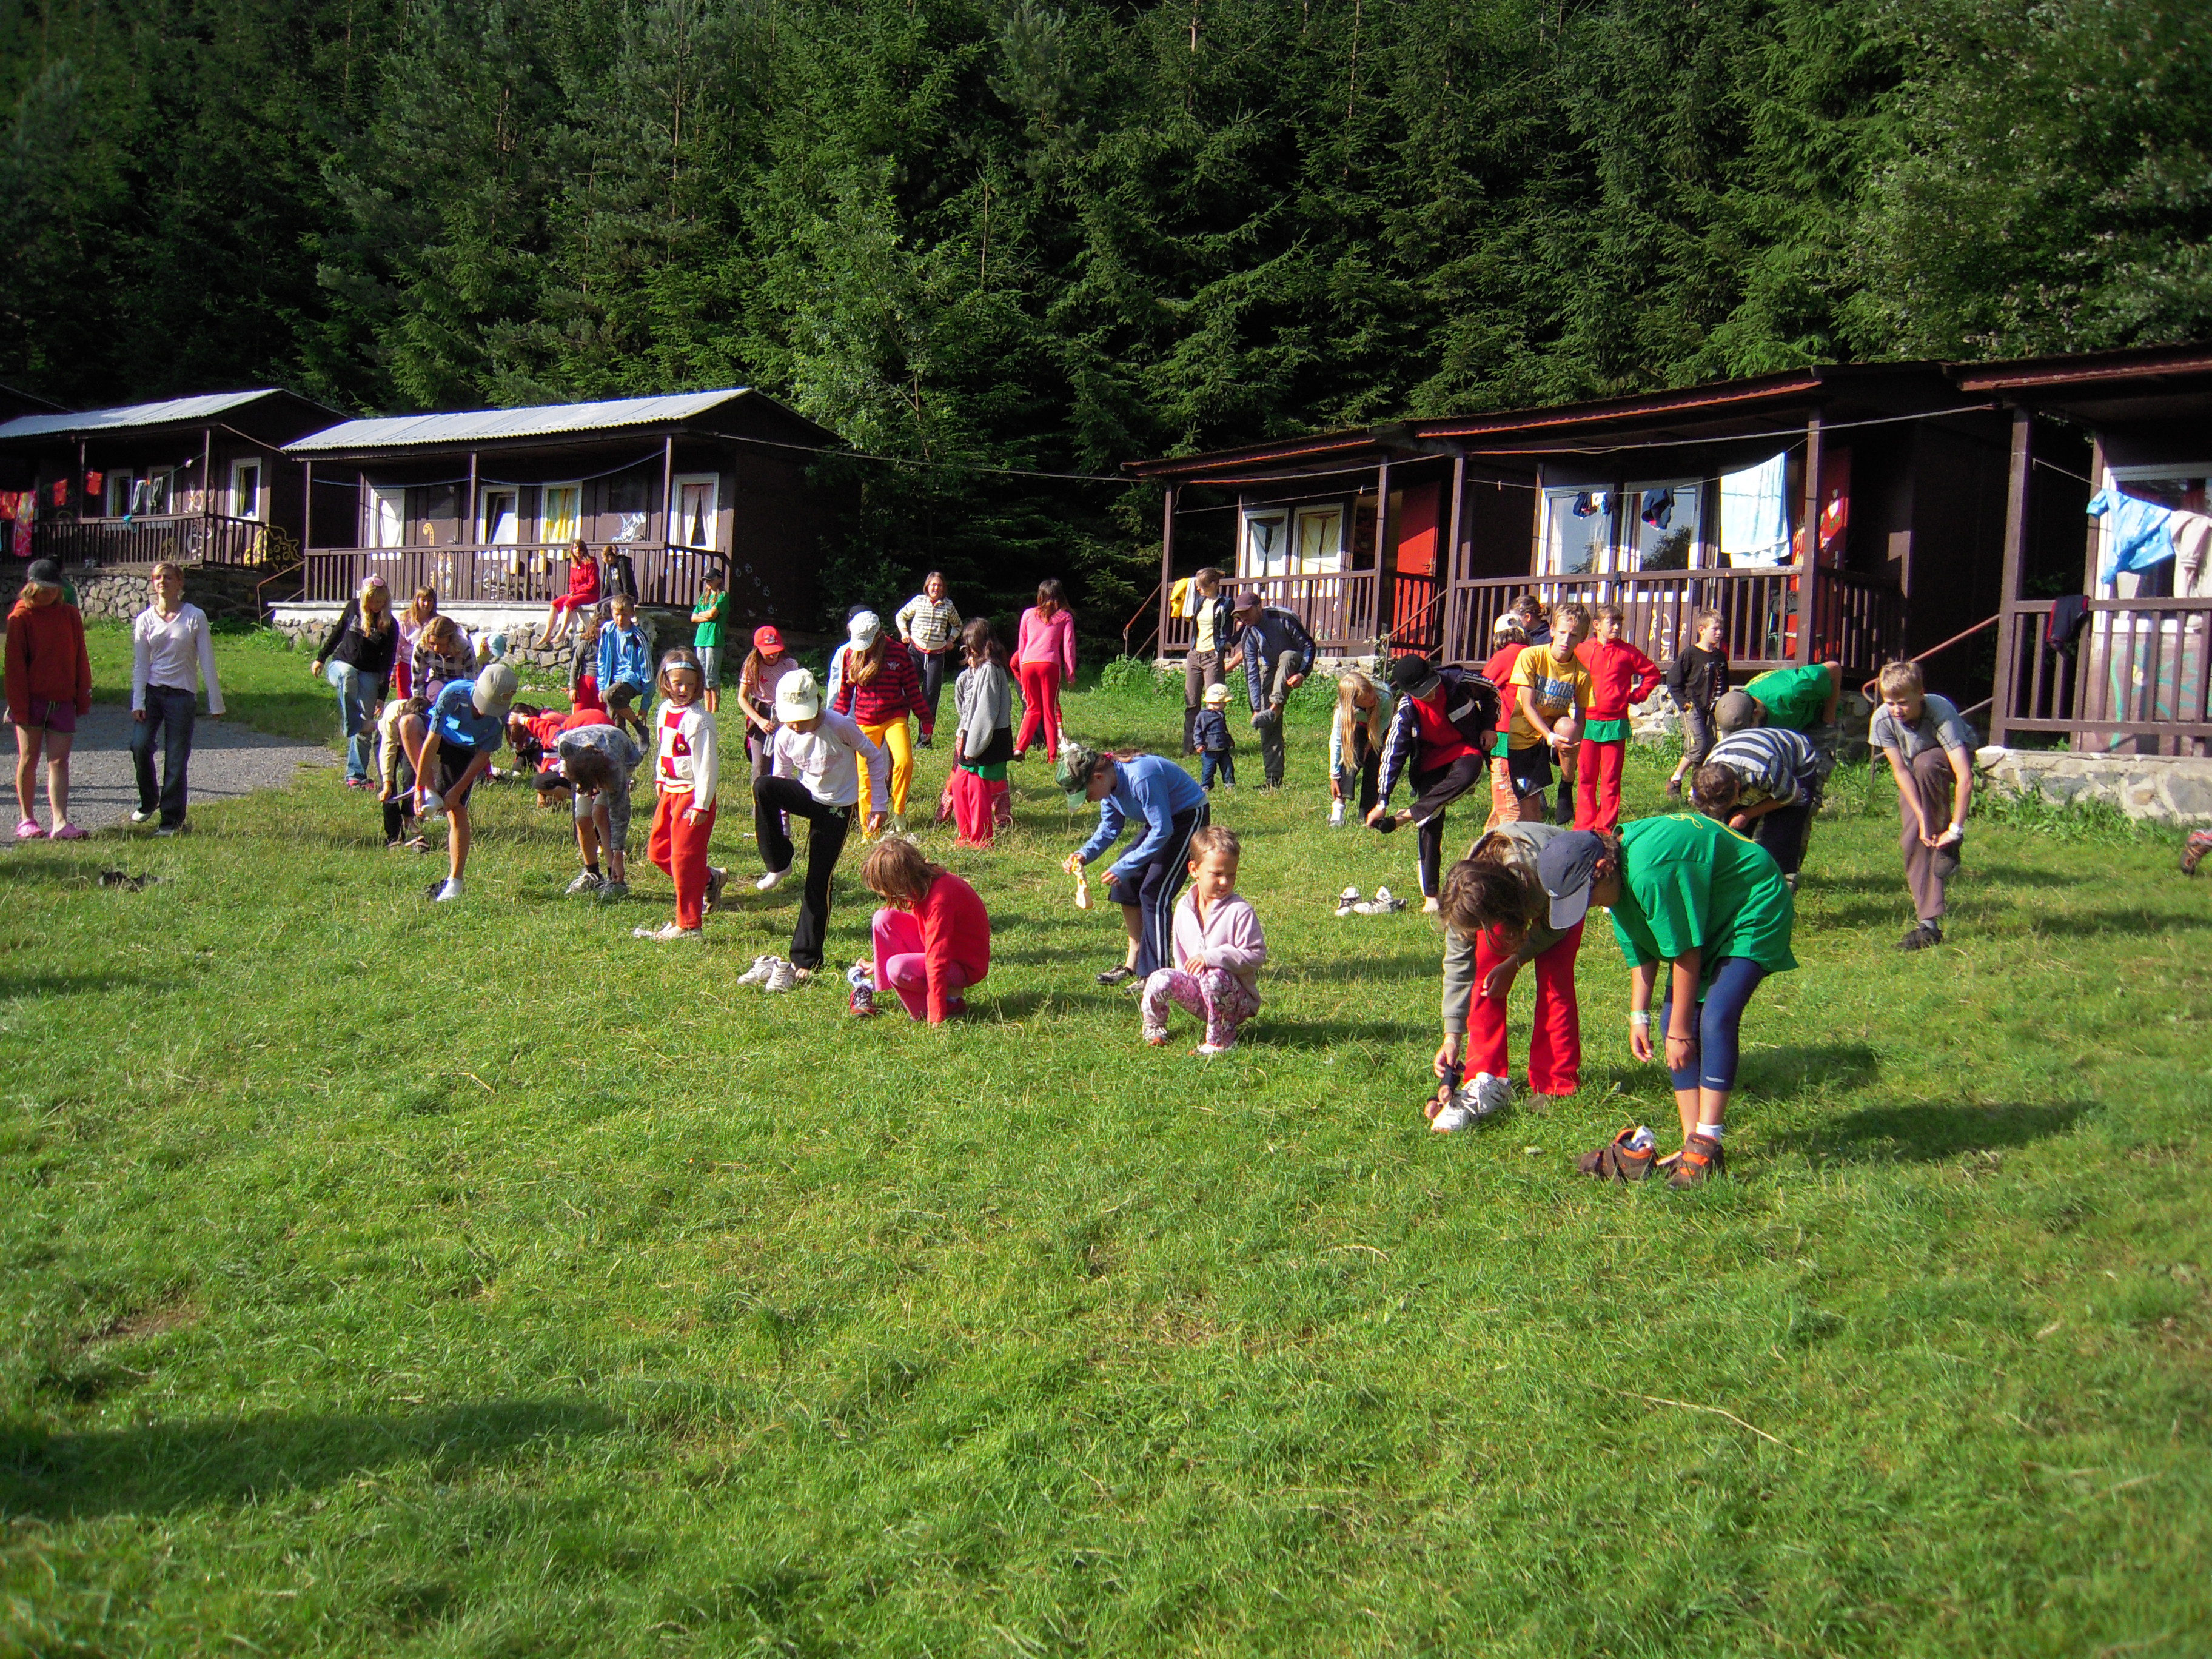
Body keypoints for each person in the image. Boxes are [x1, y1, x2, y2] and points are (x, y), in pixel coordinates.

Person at [1541, 819, 1797, 1188]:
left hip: (1750, 905)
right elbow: (1639, 945)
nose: (1586, 905)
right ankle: (1694, 1144)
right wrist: (1639, 1016)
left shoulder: (1649, 874)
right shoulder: (1618, 880)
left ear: (1602, 868)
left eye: (1584, 895)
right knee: (1671, 1024)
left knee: (1714, 1019)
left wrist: (1679, 1033)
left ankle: (1707, 1143)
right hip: (1706, 915)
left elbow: (1686, 951)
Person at [1430, 818, 1577, 1132]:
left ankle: (1555, 1083)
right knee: (1485, 975)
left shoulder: (1540, 870)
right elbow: (1458, 964)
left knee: (1555, 980)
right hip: (1508, 893)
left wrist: (1516, 961)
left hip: (1562, 887)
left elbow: (1556, 927)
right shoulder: (1465, 889)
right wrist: (1452, 1036)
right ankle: (1486, 1075)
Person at [752, 668, 890, 979]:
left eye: (802, 718)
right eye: (790, 719)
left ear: (817, 705)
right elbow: (781, 779)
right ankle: (779, 862)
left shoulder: (840, 726)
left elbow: (874, 756)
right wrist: (784, 834)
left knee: (818, 881)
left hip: (837, 807)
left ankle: (806, 959)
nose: (796, 725)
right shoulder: (785, 736)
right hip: (807, 795)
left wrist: (878, 804)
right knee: (764, 786)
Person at [1058, 742, 1210, 985]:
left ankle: (1156, 974)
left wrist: (1123, 867)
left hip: (1187, 818)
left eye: (1085, 794)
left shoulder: (1141, 777)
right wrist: (1083, 854)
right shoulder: (1109, 786)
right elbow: (1110, 827)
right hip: (1161, 822)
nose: (1088, 801)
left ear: (1098, 777)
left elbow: (1163, 831)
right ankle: (1134, 962)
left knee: (1155, 892)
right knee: (1125, 884)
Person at [1369, 654, 1503, 911]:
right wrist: (1382, 801)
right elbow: (1392, 755)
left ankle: (1409, 814)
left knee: (1469, 773)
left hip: (1464, 749)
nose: (1430, 695)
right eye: (1422, 693)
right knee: (1430, 821)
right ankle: (1431, 896)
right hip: (1430, 761)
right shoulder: (1406, 711)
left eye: (1431, 687)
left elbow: (1492, 691)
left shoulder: (1458, 681)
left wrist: (1489, 726)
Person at [1869, 659, 1975, 951]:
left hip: (1944, 761)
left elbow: (1965, 777)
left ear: (1920, 694)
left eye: (1903, 703)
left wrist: (1955, 829)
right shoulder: (1882, 719)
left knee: (1926, 762)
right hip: (1913, 772)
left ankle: (1948, 843)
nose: (1896, 710)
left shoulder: (1939, 710)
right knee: (1912, 838)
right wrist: (1922, 818)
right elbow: (1900, 771)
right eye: (1890, 703)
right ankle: (1928, 925)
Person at [1140, 825, 1267, 1056]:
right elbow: (1180, 956)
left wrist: (1212, 957)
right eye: (1217, 874)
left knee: (1214, 976)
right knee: (1159, 978)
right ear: (1194, 870)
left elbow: (1256, 955)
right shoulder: (1184, 907)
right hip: (1199, 993)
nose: (1225, 882)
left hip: (1234, 1000)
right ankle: (1154, 1027)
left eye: (1231, 874)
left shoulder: (1240, 911)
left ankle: (1221, 1042)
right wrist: (1185, 981)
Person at [127, 561, 225, 836]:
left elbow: (207, 660)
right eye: (158, 578)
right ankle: (150, 800)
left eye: (169, 578)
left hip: (182, 695)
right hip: (153, 693)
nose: (163, 582)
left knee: (176, 758)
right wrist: (138, 702)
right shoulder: (146, 620)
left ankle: (171, 821)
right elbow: (141, 664)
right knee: (139, 745)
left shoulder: (195, 616)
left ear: (180, 583)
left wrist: (215, 703)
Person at [634, 649, 723, 942]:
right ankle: (708, 878)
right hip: (670, 790)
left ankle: (689, 926)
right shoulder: (664, 710)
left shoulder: (700, 720)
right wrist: (660, 777)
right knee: (659, 852)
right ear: (665, 682)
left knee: (684, 860)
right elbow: (664, 747)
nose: (683, 689)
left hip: (692, 795)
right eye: (677, 683)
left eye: (690, 684)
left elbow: (707, 764)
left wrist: (702, 803)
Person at [414, 662, 518, 902]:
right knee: (408, 724)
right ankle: (431, 791)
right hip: (443, 737)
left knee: (457, 808)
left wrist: (457, 790)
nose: (484, 712)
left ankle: (455, 882)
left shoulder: (498, 720)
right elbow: (432, 739)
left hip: (466, 750)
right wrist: (421, 787)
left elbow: (482, 756)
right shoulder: (454, 693)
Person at [861, 836, 991, 1024]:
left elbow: (937, 959)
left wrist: (936, 1016)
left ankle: (950, 1002)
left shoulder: (940, 900)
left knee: (897, 968)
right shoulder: (923, 882)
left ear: (899, 883)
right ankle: (901, 987)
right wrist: (878, 965)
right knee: (884, 918)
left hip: (963, 965)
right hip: (946, 952)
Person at [7, 559, 92, 840]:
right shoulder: (21, 617)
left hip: (62, 699)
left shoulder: (69, 615)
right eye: (44, 589)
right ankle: (27, 819)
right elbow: (15, 668)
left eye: (55, 589)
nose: (50, 594)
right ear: (31, 587)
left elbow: (80, 656)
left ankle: (60, 821)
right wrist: (19, 708)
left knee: (59, 761)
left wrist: (82, 695)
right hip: (31, 701)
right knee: (29, 758)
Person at [831, 610, 928, 833]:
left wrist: (926, 720)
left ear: (878, 635)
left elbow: (913, 690)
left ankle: (899, 811)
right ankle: (868, 830)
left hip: (894, 716)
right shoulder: (851, 654)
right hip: (865, 720)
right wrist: (834, 723)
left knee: (904, 761)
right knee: (865, 774)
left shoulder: (898, 653)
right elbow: (844, 696)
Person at [1693, 724, 1823, 886]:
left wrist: (1747, 814)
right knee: (1733, 835)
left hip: (1795, 762)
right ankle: (1737, 880)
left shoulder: (1763, 770)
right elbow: (1709, 825)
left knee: (1779, 838)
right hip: (1748, 760)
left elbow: (1793, 796)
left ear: (1737, 786)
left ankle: (1781, 882)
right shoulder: (1705, 782)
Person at [1574, 603, 1662, 833]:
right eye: (1611, 623)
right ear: (1596, 625)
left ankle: (1605, 827)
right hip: (1587, 722)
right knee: (1586, 777)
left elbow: (1652, 673)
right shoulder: (1581, 650)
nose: (1616, 627)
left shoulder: (1628, 652)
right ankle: (1584, 824)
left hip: (1615, 722)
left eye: (1619, 623)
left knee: (1611, 778)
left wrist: (1637, 696)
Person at [1507, 602, 1594, 825]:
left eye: (1573, 635)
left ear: (1583, 638)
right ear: (1552, 630)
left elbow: (1581, 717)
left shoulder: (1581, 673)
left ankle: (1567, 784)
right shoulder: (1531, 656)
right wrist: (1550, 737)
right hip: (1524, 735)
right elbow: (1528, 705)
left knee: (1570, 727)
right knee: (1530, 811)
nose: (1566, 640)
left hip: (1555, 733)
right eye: (1562, 633)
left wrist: (1573, 747)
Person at [309, 574, 397, 787]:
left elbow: (388, 661)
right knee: (348, 675)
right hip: (341, 666)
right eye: (372, 601)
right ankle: (352, 724)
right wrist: (320, 658)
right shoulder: (353, 608)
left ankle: (356, 776)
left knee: (366, 728)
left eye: (381, 602)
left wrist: (381, 695)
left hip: (370, 674)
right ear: (364, 599)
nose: (376, 606)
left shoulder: (390, 625)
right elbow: (337, 633)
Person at [542, 721, 643, 901]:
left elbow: (620, 815)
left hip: (622, 755)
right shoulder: (566, 746)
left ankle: (616, 879)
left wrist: (619, 856)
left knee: (600, 813)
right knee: (582, 818)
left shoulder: (614, 769)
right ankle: (592, 874)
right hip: (585, 760)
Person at [1224, 591, 1315, 788]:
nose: (1244, 618)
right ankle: (1273, 779)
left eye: (1247, 612)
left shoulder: (1283, 618)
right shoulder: (1249, 634)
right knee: (1267, 724)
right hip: (1271, 667)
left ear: (1259, 606)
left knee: (1287, 655)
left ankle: (1275, 707)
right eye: (1240, 615)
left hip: (1295, 661)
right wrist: (1256, 709)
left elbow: (1308, 645)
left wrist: (1302, 674)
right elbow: (1251, 673)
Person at [948, 617, 1013, 846]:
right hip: (973, 737)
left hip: (985, 740)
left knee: (978, 790)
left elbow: (986, 712)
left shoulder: (991, 669)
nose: (968, 649)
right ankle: (965, 835)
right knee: (959, 784)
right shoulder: (979, 669)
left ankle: (981, 839)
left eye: (970, 643)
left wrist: (973, 748)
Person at [1663, 609, 1728, 800]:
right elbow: (1673, 680)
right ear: (1702, 630)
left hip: (1712, 710)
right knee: (1697, 746)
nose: (1719, 633)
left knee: (1709, 748)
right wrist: (1685, 703)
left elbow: (1724, 683)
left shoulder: (1720, 657)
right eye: (1715, 629)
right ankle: (1675, 779)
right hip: (1693, 708)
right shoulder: (1691, 654)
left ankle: (1696, 791)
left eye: (1721, 629)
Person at [1013, 579, 1078, 762]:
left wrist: (1022, 672)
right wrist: (1070, 674)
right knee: (1049, 710)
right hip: (1050, 665)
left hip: (1027, 664)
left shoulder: (1028, 614)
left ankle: (1019, 748)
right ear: (1060, 596)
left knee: (1032, 709)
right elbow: (1068, 646)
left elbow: (1022, 645)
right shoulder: (1065, 617)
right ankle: (1052, 756)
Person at [895, 571, 962, 746]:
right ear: (927, 586)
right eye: (933, 585)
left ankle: (925, 740)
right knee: (906, 693)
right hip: (915, 652)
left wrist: (951, 640)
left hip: (936, 656)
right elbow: (901, 616)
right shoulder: (919, 601)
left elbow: (958, 625)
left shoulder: (948, 606)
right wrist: (904, 632)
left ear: (943, 588)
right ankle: (899, 738)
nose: (936, 588)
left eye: (939, 585)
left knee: (930, 695)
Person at [1737, 657, 1844, 766]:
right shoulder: (1741, 702)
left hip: (1816, 720)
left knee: (1818, 769)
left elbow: (1834, 668)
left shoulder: (1797, 686)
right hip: (1790, 725)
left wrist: (1828, 720)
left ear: (1756, 713)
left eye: (1748, 729)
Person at [1480, 614, 1530, 830]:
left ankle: (1509, 836)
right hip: (1527, 731)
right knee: (1511, 788)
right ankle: (1490, 836)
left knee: (1505, 791)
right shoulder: (1531, 654)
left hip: (1503, 730)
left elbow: (1482, 685)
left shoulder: (1505, 656)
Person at [1181, 567, 1233, 754]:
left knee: (1215, 702)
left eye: (1202, 587)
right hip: (1195, 655)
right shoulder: (1199, 602)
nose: (1199, 590)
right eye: (1198, 586)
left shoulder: (1226, 604)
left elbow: (1243, 624)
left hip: (1213, 656)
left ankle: (1216, 744)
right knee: (1191, 702)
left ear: (1215, 584)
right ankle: (1190, 747)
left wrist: (1230, 642)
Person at [737, 625, 801, 772]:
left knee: (781, 762)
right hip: (760, 713)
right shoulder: (752, 666)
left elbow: (797, 691)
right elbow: (742, 698)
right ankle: (759, 787)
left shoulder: (789, 664)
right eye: (768, 652)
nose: (773, 656)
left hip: (784, 713)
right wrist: (759, 720)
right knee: (760, 764)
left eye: (775, 651)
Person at [1327, 669, 1387, 826]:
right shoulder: (1343, 711)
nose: (1371, 699)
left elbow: (1384, 723)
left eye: (1370, 693)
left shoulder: (1384, 696)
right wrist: (1334, 775)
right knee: (1351, 756)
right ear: (1354, 703)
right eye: (1365, 699)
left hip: (1379, 727)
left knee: (1375, 763)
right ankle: (1338, 809)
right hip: (1358, 725)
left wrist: (1370, 744)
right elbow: (1337, 741)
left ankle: (1368, 815)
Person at [594, 593, 654, 742]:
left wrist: (645, 704)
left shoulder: (638, 637)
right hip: (613, 679)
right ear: (612, 613)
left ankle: (640, 728)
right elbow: (602, 660)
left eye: (625, 615)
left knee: (611, 695)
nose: (620, 619)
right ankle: (626, 747)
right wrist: (602, 686)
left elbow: (647, 670)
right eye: (617, 615)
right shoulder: (607, 630)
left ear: (632, 614)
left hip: (633, 679)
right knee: (615, 725)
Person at [377, 695, 430, 850]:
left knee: (411, 776)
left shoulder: (427, 719)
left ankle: (409, 818)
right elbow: (388, 750)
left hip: (410, 741)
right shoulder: (394, 713)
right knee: (389, 791)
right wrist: (387, 783)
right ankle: (395, 835)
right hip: (387, 740)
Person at [541, 540, 602, 650]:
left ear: (583, 549)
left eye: (579, 548)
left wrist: (577, 591)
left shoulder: (591, 563)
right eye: (575, 548)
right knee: (554, 604)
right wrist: (573, 591)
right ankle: (547, 634)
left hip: (590, 594)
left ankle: (562, 634)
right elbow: (572, 582)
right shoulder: (574, 565)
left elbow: (592, 584)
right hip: (577, 593)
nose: (577, 550)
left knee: (569, 603)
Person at [690, 571, 732, 713]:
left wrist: (703, 615)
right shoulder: (705, 597)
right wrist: (706, 616)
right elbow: (693, 617)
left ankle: (715, 709)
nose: (708, 583)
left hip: (714, 639)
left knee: (711, 674)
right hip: (701, 639)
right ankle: (707, 708)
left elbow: (713, 614)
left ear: (719, 580)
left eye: (710, 580)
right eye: (706, 580)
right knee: (702, 674)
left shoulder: (723, 596)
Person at [410, 614, 474, 705]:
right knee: (436, 692)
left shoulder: (465, 648)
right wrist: (420, 704)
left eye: (442, 645)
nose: (436, 649)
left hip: (459, 685)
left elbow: (470, 681)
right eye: (432, 643)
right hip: (437, 682)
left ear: (451, 641)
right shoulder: (421, 647)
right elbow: (418, 681)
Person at [394, 586, 438, 700]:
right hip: (406, 664)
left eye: (430, 601)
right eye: (424, 600)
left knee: (425, 699)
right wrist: (393, 671)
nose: (427, 604)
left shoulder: (436, 622)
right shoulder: (405, 620)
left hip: (428, 665)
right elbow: (397, 646)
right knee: (405, 700)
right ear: (416, 601)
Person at [1192, 681, 1236, 790]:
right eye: (1223, 702)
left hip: (1223, 748)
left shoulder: (1220, 714)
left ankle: (1229, 784)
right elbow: (1198, 731)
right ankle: (1206, 786)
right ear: (1215, 702)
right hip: (1209, 750)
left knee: (1228, 767)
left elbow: (1223, 729)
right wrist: (1199, 744)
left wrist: (1229, 740)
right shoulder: (1203, 716)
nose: (1225, 705)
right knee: (1208, 770)